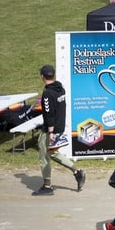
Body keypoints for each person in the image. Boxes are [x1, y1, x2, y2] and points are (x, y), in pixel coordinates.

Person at [33, 64, 86, 196]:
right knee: (53, 153)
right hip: (60, 127)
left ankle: (47, 186)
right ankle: (77, 171)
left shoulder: (47, 93)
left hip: (50, 129)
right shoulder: (60, 89)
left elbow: (49, 113)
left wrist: (50, 132)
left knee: (44, 156)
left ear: (42, 76)